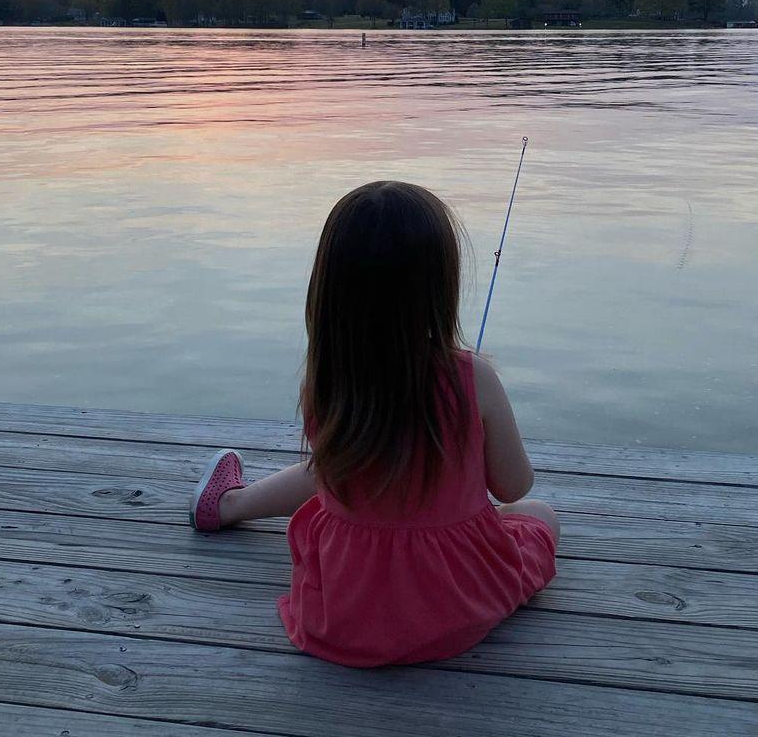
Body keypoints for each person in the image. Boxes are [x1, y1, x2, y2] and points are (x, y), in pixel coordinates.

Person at [190, 180, 558, 667]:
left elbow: (329, 474)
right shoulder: (475, 379)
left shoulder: (327, 382)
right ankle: (231, 504)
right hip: (457, 612)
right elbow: (514, 487)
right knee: (541, 514)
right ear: (439, 286)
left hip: (346, 617)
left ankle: (229, 504)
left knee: (338, 471)